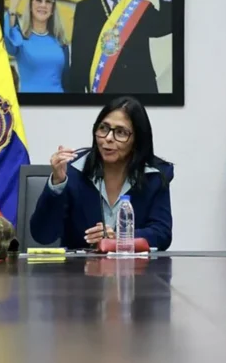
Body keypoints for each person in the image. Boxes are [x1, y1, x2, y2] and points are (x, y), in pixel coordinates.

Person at [30, 96, 173, 250]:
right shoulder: (73, 170)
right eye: (103, 128)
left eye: (121, 132)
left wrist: (120, 237)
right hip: (77, 271)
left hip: (135, 270)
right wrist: (57, 183)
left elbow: (162, 234)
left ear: (137, 139)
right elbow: (43, 236)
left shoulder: (154, 176)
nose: (108, 138)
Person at [68, 0, 173, 94]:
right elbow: (78, 60)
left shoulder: (140, 7)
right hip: (103, 92)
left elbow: (166, 25)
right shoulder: (85, 9)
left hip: (140, 91)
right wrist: (77, 101)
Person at [3, 0, 69, 93]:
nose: (43, 5)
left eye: (48, 1)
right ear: (30, 5)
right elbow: (9, 42)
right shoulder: (20, 40)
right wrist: (14, 3)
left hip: (59, 106)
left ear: (52, 9)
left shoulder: (61, 42)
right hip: (30, 107)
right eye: (38, 0)